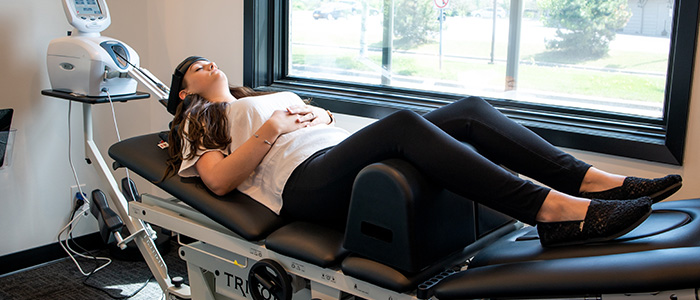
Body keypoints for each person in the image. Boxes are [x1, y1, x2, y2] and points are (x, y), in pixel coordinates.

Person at [164, 56, 683, 247]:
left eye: (209, 60)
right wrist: (272, 128)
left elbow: (316, 125)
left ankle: (588, 179)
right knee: (407, 123)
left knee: (471, 110)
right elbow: (217, 181)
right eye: (195, 67)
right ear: (184, 91)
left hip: (339, 156)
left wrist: (312, 116)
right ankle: (553, 210)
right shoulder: (197, 120)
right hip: (306, 184)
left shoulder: (263, 95)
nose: (208, 64)